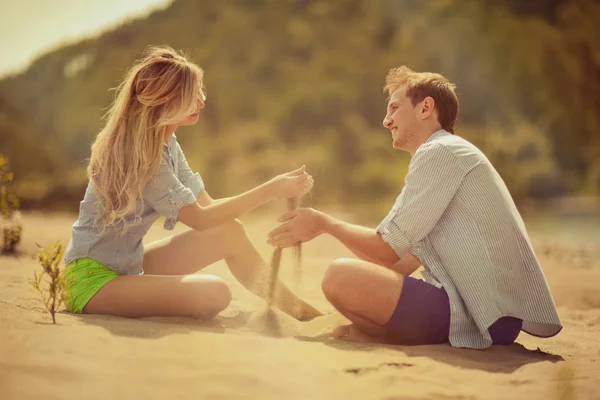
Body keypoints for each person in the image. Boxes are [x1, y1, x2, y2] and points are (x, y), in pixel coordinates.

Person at [267, 66, 562, 348]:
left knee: (338, 277)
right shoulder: (447, 155)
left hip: (480, 315)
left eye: (394, 108)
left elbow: (385, 249)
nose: (386, 120)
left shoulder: (439, 152)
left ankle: (382, 333)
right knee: (350, 280)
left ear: (425, 109)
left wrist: (323, 224)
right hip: (496, 318)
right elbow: (396, 263)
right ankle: (380, 333)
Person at [63, 46, 321, 321]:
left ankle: (300, 312)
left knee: (229, 232)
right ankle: (302, 314)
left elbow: (208, 208)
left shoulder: (167, 145)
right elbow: (200, 219)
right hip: (91, 282)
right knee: (214, 293)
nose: (201, 103)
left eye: (200, 93)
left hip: (127, 267)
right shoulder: (143, 158)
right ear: (165, 100)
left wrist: (274, 193)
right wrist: (270, 190)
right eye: (190, 96)